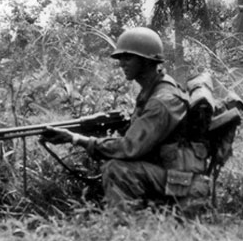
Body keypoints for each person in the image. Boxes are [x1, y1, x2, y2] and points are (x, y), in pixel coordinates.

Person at [41, 27, 209, 209]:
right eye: (121, 58)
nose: (122, 64)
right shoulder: (152, 91)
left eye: (128, 58)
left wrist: (75, 139)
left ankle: (125, 224)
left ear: (146, 61)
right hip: (171, 177)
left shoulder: (161, 101)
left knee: (116, 169)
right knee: (116, 163)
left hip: (185, 185)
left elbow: (130, 147)